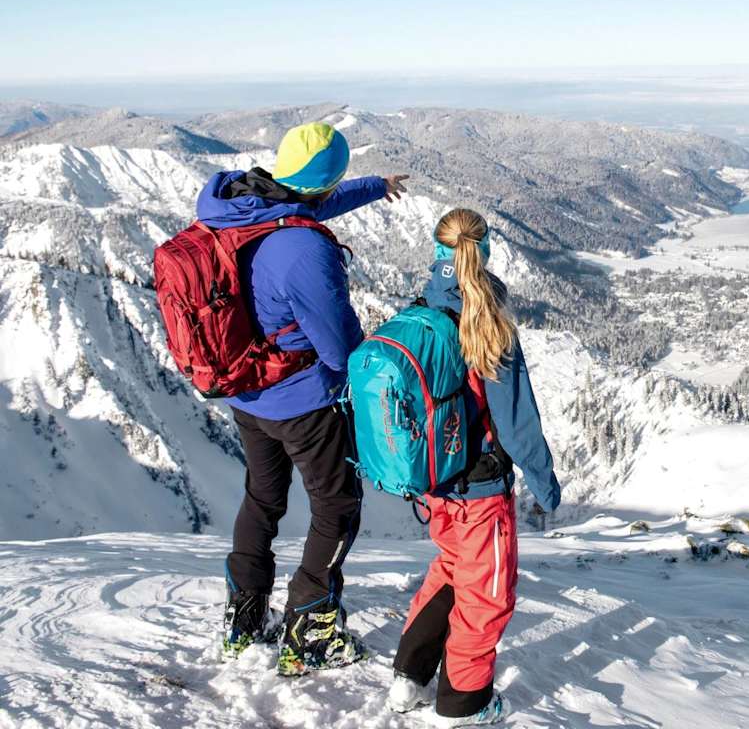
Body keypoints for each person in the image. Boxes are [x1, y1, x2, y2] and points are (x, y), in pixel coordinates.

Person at [197, 121, 408, 675]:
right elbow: (339, 347)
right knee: (336, 508)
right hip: (303, 404)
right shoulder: (303, 249)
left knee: (262, 500)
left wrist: (374, 186)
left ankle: (243, 618)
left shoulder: (239, 204)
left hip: (247, 394)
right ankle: (310, 627)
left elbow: (313, 201)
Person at [387, 208, 561, 725]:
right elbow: (516, 422)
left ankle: (410, 676)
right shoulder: (487, 318)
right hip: (481, 488)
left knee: (452, 569)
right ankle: (463, 706)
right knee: (487, 594)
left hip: (438, 482)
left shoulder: (423, 308)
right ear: (484, 250)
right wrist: (545, 485)